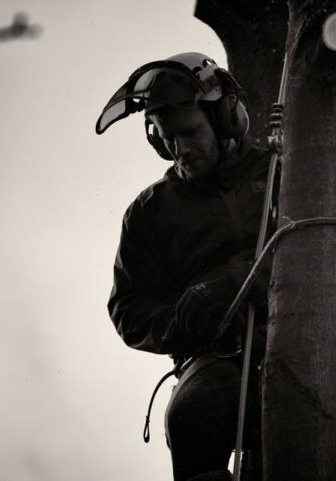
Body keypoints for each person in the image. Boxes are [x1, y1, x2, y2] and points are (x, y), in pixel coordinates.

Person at [96, 52, 271, 481]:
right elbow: (129, 309)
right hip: (214, 358)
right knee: (191, 414)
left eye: (192, 132)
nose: (181, 149)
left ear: (227, 118)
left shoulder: (279, 173)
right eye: (169, 138)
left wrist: (238, 280)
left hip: (295, 336)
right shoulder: (150, 213)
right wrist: (183, 318)